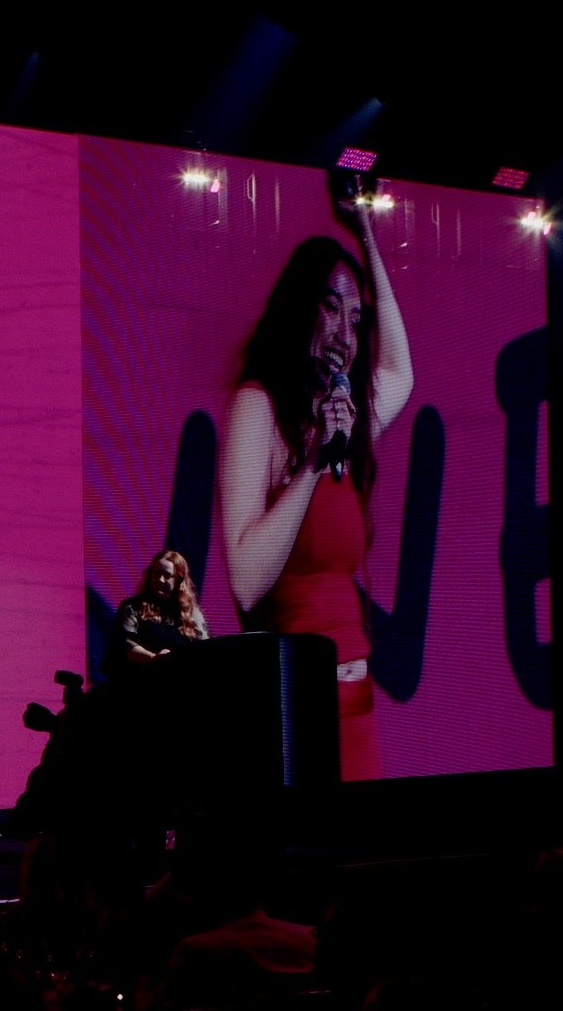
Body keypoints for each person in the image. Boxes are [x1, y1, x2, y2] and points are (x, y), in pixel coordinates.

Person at [219, 173, 412, 782]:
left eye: (355, 321)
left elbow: (401, 373)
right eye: (330, 310)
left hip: (358, 708)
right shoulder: (261, 409)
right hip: (294, 713)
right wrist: (310, 464)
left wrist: (367, 232)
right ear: (298, 310)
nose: (344, 336)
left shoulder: (345, 420)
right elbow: (247, 582)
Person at [106, 549, 208, 679]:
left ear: (178, 580)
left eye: (167, 575)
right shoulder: (132, 608)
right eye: (157, 573)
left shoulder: (192, 614)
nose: (160, 580)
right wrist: (154, 658)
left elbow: (206, 649)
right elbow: (125, 645)